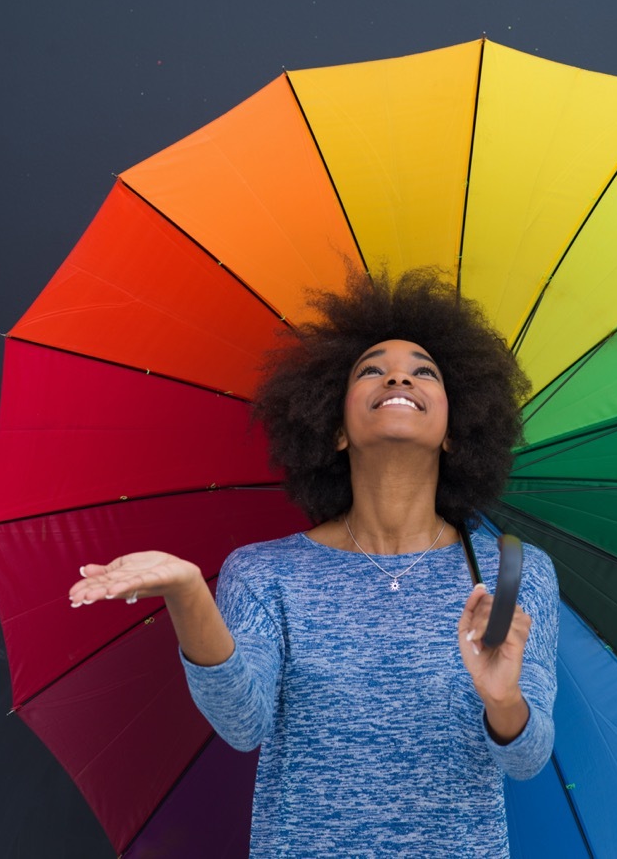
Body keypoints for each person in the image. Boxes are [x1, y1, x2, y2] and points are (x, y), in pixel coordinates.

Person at [68, 268, 559, 857]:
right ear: (335, 431)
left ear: (457, 431)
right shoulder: (264, 573)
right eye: (371, 369)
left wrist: (503, 698)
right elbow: (242, 723)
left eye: (424, 371)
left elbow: (528, 760)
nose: (398, 375)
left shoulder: (512, 573)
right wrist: (188, 592)